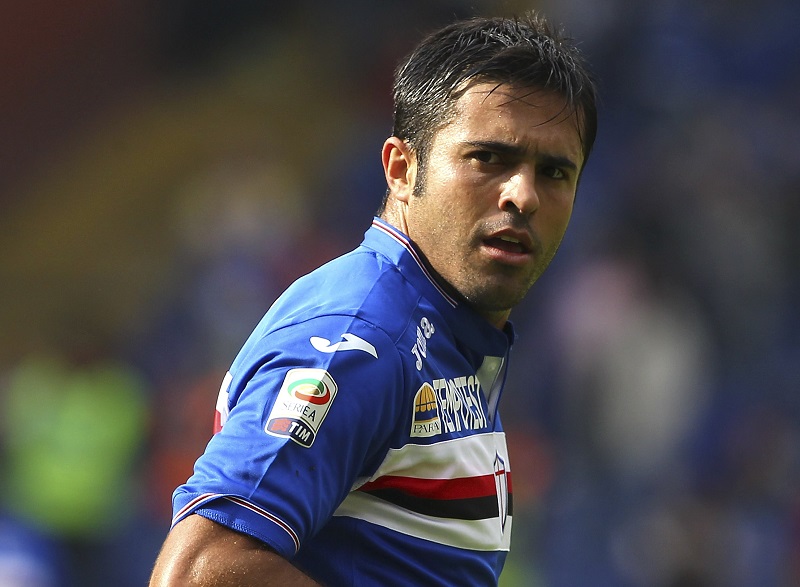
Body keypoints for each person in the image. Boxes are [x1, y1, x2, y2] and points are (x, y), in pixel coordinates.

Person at [149, 11, 597, 587]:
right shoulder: (361, 338)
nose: (523, 195)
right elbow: (198, 573)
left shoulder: (443, 333)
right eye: (488, 158)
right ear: (401, 169)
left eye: (555, 172)